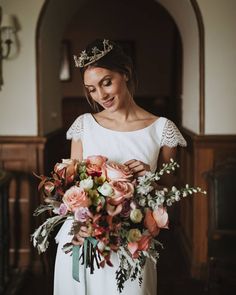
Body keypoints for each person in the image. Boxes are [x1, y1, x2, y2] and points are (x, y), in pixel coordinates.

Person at [53, 39, 187, 295]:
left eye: (106, 82)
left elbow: (172, 194)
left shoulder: (162, 129)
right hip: (85, 238)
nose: (101, 96)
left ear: (125, 73)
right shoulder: (84, 125)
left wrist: (150, 178)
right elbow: (71, 186)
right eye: (91, 89)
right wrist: (79, 223)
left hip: (133, 242)